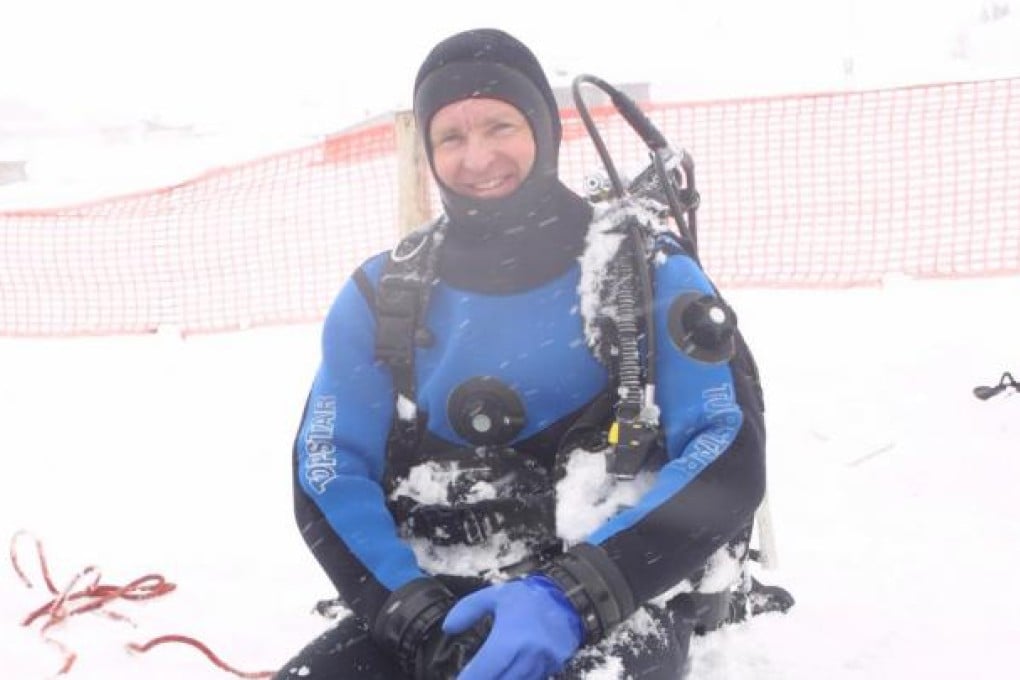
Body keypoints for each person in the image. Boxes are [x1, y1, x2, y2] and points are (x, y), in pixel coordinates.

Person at [276, 28, 791, 680]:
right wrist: (413, 616)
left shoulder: (644, 275)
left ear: (544, 131)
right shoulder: (383, 296)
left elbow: (727, 451)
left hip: (620, 593)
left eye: (500, 126)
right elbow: (326, 467)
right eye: (451, 137)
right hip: (441, 595)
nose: (477, 156)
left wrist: (571, 598)